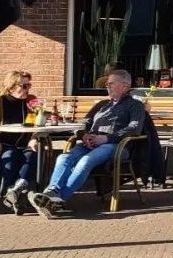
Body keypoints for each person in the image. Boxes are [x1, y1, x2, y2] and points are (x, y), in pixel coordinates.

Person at [29, 69, 144, 218]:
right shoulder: (102, 105)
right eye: (107, 84)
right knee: (63, 158)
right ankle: (52, 193)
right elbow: (84, 123)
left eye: (111, 83)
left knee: (85, 161)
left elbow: (134, 128)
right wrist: (84, 136)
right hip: (90, 144)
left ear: (125, 86)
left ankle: (58, 200)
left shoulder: (135, 105)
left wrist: (106, 138)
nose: (107, 86)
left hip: (116, 146)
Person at [0, 70, 39, 214]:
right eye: (24, 86)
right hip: (4, 145)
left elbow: (38, 124)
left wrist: (34, 137)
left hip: (25, 144)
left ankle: (12, 196)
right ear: (11, 87)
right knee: (10, 158)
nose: (28, 89)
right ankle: (17, 199)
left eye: (29, 85)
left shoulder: (32, 100)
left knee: (30, 157)